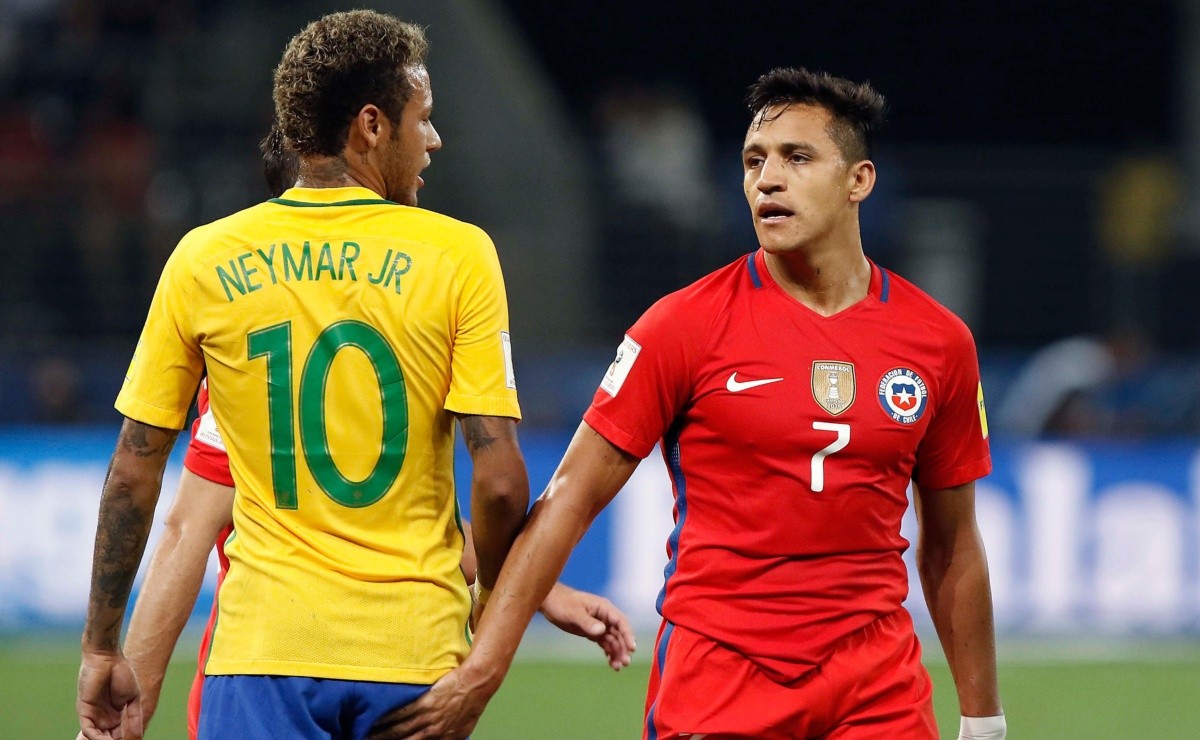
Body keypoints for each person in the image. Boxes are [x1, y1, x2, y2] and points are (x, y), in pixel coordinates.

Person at [389, 67, 1005, 740]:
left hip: (876, 691)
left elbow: (951, 547)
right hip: (720, 683)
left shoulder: (939, 342)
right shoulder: (682, 326)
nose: (767, 179)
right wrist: (483, 671)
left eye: (797, 157)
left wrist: (983, 721)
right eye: (753, 161)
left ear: (859, 180)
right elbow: (568, 500)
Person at [76, 11, 632, 740]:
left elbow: (132, 476)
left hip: (261, 658)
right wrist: (506, 594)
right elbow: (495, 481)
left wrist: (100, 648)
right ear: (372, 125)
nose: (433, 139)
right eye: (423, 119)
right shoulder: (456, 255)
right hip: (413, 659)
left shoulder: (205, 261)